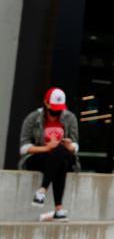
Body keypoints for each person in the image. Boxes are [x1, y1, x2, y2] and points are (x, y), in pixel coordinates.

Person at [19, 87, 80, 222]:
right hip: (40, 157)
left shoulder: (70, 118)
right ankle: (58, 209)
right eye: (54, 107)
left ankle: (42, 190)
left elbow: (76, 144)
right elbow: (23, 148)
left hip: (64, 155)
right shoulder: (33, 118)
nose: (57, 111)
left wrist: (70, 146)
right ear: (46, 103)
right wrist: (46, 148)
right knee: (61, 159)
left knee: (61, 151)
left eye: (60, 108)